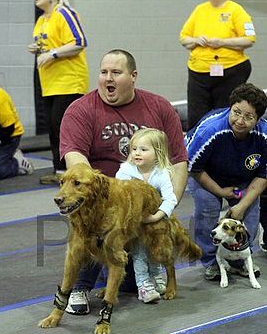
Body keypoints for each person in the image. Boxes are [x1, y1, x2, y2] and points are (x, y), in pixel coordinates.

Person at [59, 48, 188, 314]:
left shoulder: (160, 107)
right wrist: (108, 198)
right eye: (104, 72)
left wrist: (166, 208)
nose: (108, 78)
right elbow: (75, 162)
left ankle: (134, 269)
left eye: (116, 73)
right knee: (90, 226)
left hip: (145, 202)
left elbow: (178, 162)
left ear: (133, 76)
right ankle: (81, 285)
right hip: (103, 199)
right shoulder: (80, 111)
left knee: (131, 278)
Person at [185, 83, 267, 281]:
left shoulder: (263, 136)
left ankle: (239, 261)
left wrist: (242, 205)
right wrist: (220, 192)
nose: (240, 121)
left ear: (258, 119)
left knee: (249, 215)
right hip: (206, 175)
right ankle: (212, 262)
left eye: (249, 117)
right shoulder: (210, 130)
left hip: (243, 178)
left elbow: (263, 176)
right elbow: (194, 169)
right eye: (236, 112)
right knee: (208, 208)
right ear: (230, 108)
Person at [29, 0, 89, 185]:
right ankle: (60, 172)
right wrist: (38, 49)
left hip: (69, 81)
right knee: (54, 129)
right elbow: (49, 44)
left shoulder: (64, 13)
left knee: (63, 127)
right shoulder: (42, 20)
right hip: (50, 83)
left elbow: (80, 41)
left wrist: (52, 53)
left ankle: (73, 171)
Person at [180, 0, 256, 130]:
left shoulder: (236, 10)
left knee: (223, 113)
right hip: (199, 71)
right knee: (196, 115)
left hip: (230, 70)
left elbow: (249, 39)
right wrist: (195, 40)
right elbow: (184, 38)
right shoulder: (200, 10)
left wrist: (221, 42)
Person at [115, 128, 178, 303]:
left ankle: (157, 276)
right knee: (140, 253)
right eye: (134, 149)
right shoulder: (125, 170)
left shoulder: (161, 173)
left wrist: (156, 217)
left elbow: (170, 199)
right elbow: (117, 193)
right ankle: (144, 285)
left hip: (155, 220)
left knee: (156, 251)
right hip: (135, 223)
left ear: (157, 153)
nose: (137, 153)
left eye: (143, 149)